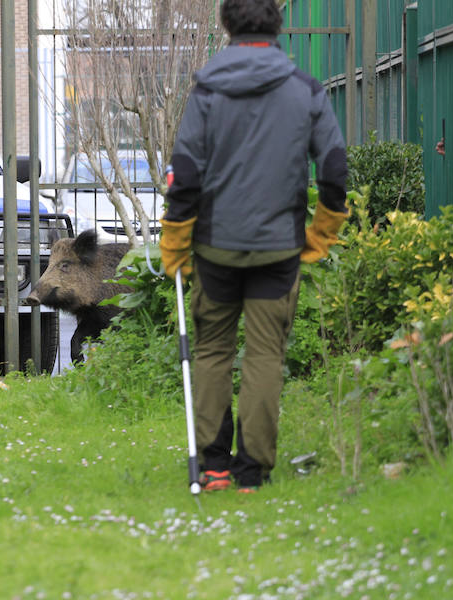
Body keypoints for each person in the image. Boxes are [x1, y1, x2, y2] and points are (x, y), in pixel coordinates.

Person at [160, 0, 348, 492]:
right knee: (266, 355)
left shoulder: (206, 90)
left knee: (212, 352)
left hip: (215, 249)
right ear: (278, 24)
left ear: (225, 24)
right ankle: (252, 472)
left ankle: (214, 467)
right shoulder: (305, 90)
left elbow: (184, 176)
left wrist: (175, 242)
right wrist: (322, 233)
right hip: (279, 249)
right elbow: (334, 169)